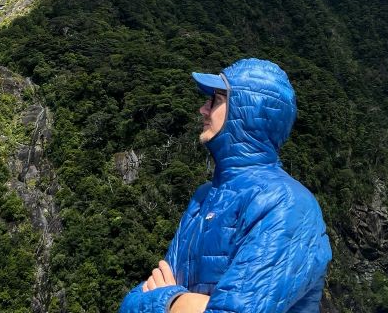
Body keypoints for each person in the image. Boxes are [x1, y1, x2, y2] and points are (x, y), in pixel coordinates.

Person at [119, 58, 332, 313]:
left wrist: (169, 300)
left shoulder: (288, 204)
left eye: (216, 100)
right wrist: (181, 302)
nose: (203, 110)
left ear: (248, 112)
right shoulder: (204, 197)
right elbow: (134, 300)